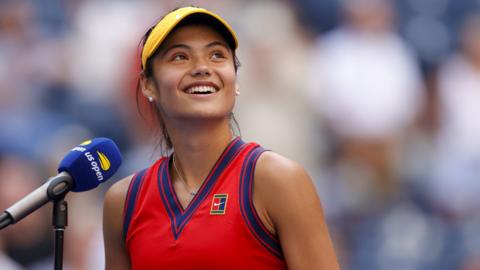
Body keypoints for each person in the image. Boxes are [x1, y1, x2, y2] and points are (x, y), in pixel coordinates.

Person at [103, 6, 339, 270]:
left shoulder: (279, 180)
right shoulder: (124, 201)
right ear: (148, 84)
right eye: (180, 57)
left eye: (217, 55)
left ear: (235, 80)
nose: (202, 68)